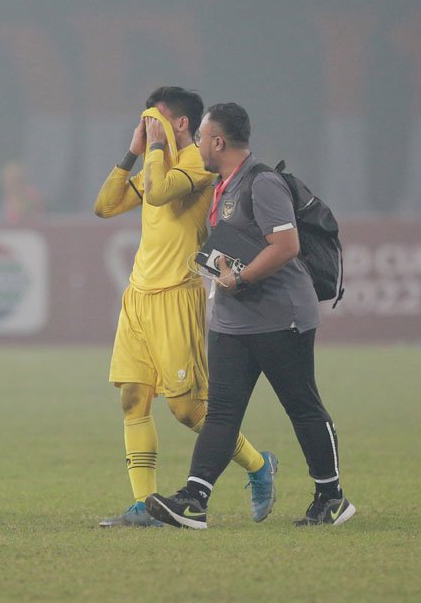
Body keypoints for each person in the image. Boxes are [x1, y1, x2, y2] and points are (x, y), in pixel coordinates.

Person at [146, 102, 355, 529]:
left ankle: (332, 498)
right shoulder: (226, 185)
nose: (199, 144)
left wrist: (239, 280)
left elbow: (286, 246)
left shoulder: (263, 184)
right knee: (222, 411)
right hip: (233, 320)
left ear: (218, 142)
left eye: (203, 137)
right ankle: (194, 499)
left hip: (281, 318)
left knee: (302, 406)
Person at [93, 87, 277, 528]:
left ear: (180, 124)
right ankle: (145, 504)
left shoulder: (196, 162)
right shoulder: (157, 159)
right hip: (138, 295)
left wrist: (156, 148)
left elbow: (157, 195)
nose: (145, 124)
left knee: (188, 410)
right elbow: (105, 206)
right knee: (133, 397)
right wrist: (132, 153)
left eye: (153, 118)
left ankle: (258, 465)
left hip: (178, 293)